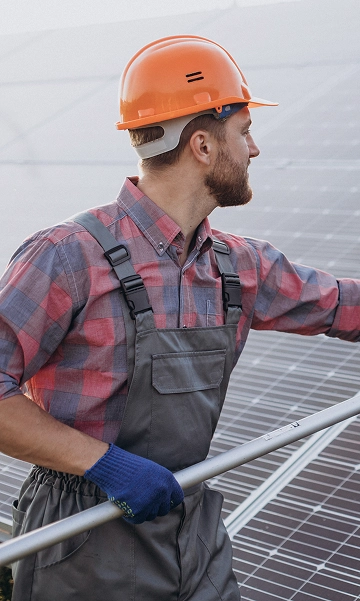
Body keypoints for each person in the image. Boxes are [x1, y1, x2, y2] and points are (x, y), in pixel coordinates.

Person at [0, 34, 359, 601]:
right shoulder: (68, 256)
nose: (255, 150)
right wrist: (105, 466)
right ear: (202, 145)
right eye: (244, 132)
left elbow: (344, 305)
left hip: (190, 523)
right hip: (82, 536)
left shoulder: (239, 266)